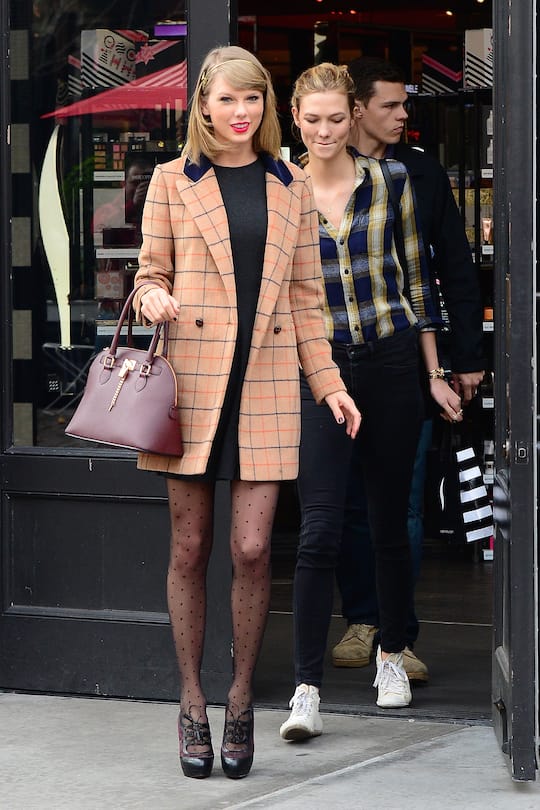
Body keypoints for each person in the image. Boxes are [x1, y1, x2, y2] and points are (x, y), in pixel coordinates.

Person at [132, 46, 361, 780]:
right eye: (228, 99)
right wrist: (153, 296)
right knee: (190, 549)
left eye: (253, 99)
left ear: (267, 106)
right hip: (192, 387)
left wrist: (328, 383)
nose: (241, 112)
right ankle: (190, 702)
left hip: (264, 386)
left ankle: (239, 701)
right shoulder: (173, 180)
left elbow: (306, 300)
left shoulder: (290, 184)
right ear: (203, 104)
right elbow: (148, 274)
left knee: (255, 549)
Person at [279, 62, 463, 742]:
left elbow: (418, 281)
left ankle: (390, 653)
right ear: (295, 119)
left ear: (352, 115)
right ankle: (306, 689)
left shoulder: (391, 180)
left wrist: (434, 372)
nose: (325, 130)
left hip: (389, 360)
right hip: (319, 368)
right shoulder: (280, 188)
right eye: (313, 119)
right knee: (320, 528)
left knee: (389, 520)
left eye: (336, 118)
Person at [331, 58, 485, 682]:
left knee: (405, 501)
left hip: (411, 356)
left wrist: (464, 359)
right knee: (347, 500)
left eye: (404, 104)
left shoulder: (419, 173)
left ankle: (400, 634)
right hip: (338, 357)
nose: (403, 115)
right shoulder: (318, 172)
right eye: (390, 105)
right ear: (359, 109)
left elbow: (452, 266)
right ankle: (362, 619)